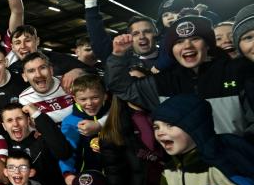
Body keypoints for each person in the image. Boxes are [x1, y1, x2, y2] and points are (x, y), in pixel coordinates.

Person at [106, 14, 254, 137]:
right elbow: (121, 88)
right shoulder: (163, 82)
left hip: (236, 165)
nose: (187, 46)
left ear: (208, 44)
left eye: (195, 39)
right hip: (187, 168)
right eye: (179, 42)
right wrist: (118, 55)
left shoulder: (237, 72)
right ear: (172, 50)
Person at [0, 102, 73, 185]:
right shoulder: (1, 145)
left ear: (28, 120)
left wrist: (37, 114)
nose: (15, 124)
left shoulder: (42, 139)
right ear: (4, 126)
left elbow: (64, 152)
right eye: (9, 120)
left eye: (19, 118)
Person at [82, 0, 160, 70]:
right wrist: (90, 1)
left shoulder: (173, 57)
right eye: (135, 34)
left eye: (147, 31)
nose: (142, 37)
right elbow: (98, 38)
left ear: (156, 34)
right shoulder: (119, 61)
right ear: (130, 38)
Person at [58, 74, 109, 185]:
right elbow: (67, 150)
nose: (89, 103)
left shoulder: (114, 114)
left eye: (95, 97)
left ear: (105, 96)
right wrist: (67, 173)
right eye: (83, 99)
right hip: (86, 177)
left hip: (116, 176)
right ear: (75, 99)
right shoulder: (70, 122)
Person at [18, 52, 74, 124]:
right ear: (25, 77)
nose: (38, 75)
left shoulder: (69, 83)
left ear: (51, 70)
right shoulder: (24, 99)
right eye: (31, 71)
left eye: (42, 68)